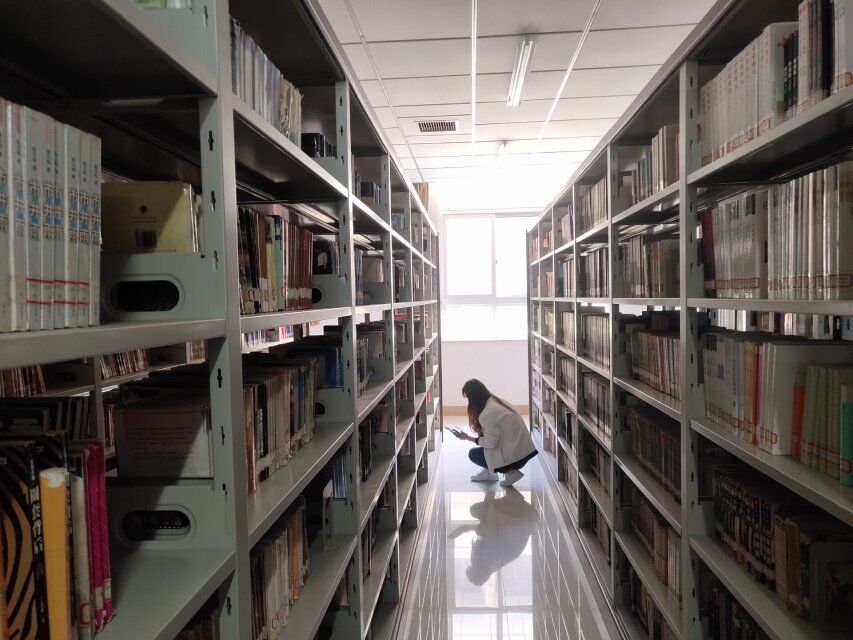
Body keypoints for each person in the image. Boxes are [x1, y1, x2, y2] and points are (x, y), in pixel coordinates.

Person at [450, 379, 538, 487]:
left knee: (473, 454)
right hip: (524, 452)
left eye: (469, 398)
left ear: (474, 398)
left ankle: (511, 473)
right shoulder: (496, 401)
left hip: (516, 459)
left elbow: (491, 443)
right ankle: (491, 473)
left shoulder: (487, 413)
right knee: (484, 441)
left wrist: (468, 438)